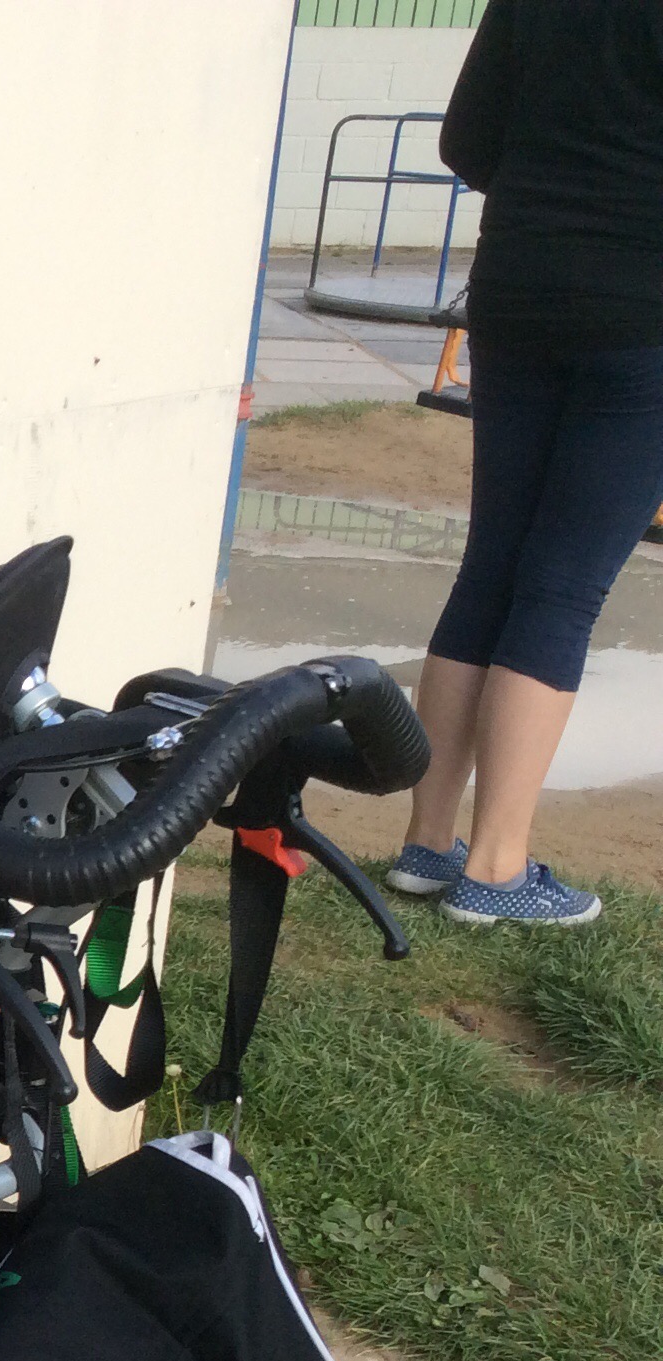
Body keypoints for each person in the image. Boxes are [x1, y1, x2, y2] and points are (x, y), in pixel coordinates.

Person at [388, 0, 663, 927]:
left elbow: (464, 141)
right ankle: (498, 869)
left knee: (492, 566)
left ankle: (428, 842)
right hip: (643, 313)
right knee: (562, 590)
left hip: (518, 287)